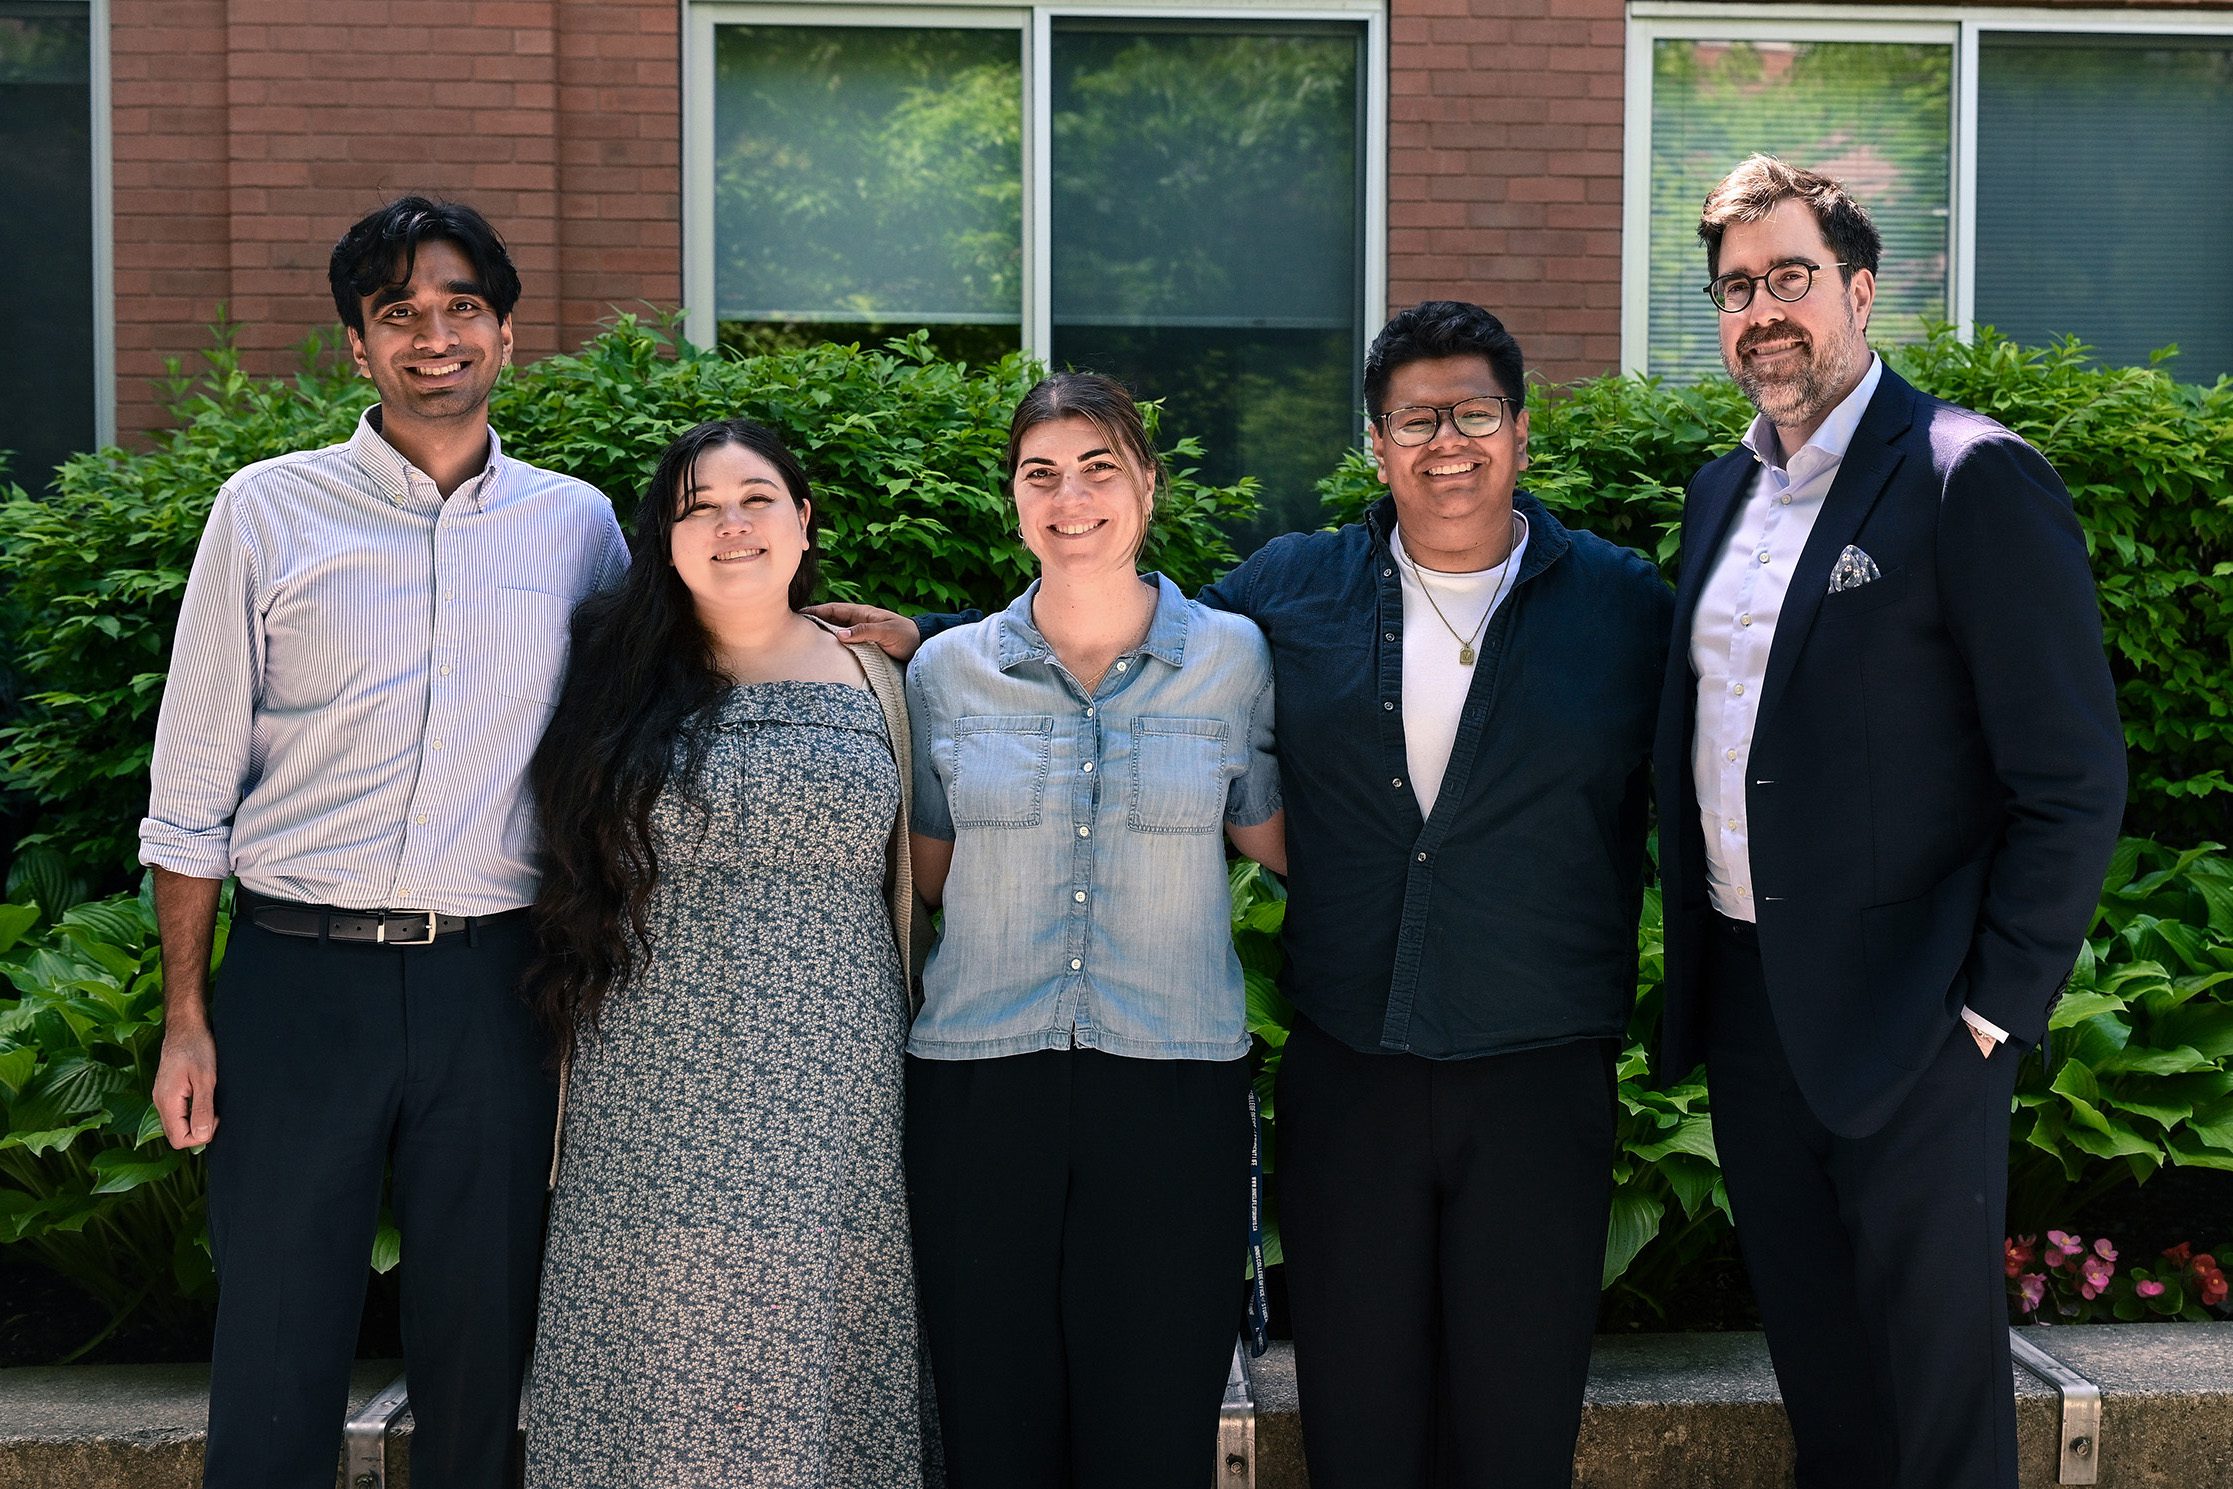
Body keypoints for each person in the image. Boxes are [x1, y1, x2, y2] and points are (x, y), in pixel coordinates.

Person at [821, 305, 1673, 1489]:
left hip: (1535, 1062)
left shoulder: (1624, 604)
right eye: (1414, 418)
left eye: (1474, 413)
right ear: (1376, 443)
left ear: (1521, 434)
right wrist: (930, 640)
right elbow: (1108, 634)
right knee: (1353, 1423)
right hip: (1347, 1064)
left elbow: (1705, 781)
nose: (1447, 441)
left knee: (1517, 1426)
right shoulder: (1294, 589)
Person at [1654, 154, 2126, 1489]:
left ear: (1859, 290)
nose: (1763, 310)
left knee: (1935, 1407)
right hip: (1755, 1014)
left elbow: (2073, 774)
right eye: (1736, 287)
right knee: (1826, 1386)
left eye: (1791, 276)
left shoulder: (1967, 476)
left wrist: (1990, 1010)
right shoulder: (1716, 496)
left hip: (1920, 1021)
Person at [141, 198, 626, 1487]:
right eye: (398, 313)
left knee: (482, 1351)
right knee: (277, 1343)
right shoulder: (264, 512)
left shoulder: (575, 528)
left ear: (507, 333)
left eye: (461, 304)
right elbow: (190, 786)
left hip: (496, 986)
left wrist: (907, 639)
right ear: (357, 345)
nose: (434, 335)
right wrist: (188, 1015)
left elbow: (649, 722)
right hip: (299, 986)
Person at [522, 419, 929, 1487]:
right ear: (664, 538)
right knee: (654, 1358)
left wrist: (928, 634)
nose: (729, 522)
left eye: (756, 497)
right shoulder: (607, 680)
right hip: (647, 1080)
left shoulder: (882, 675)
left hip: (832, 1085)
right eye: (697, 504)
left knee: (813, 1348)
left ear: (804, 523)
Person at [901, 373, 1284, 1488]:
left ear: (1148, 488)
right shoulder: (944, 672)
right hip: (980, 1088)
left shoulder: (1234, 660)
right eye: (1040, 474)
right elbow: (924, 878)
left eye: (1098, 467)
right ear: (1014, 501)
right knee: (992, 1431)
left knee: (1152, 1434)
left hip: (1172, 1086)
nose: (1070, 498)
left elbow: (1276, 831)